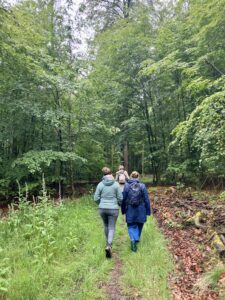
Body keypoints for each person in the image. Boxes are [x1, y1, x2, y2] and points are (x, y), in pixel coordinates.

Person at [94, 167, 123, 258]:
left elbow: (96, 198)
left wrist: (101, 204)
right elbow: (120, 198)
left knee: (106, 225)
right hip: (113, 209)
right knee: (111, 227)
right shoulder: (115, 184)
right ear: (111, 174)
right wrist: (118, 204)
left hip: (102, 209)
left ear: (103, 175)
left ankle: (108, 244)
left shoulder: (100, 185)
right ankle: (109, 245)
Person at [121, 171, 151, 252]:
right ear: (138, 177)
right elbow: (146, 200)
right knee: (140, 224)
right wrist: (148, 211)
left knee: (131, 225)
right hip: (141, 209)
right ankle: (135, 240)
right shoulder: (142, 186)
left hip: (130, 209)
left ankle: (133, 240)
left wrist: (123, 210)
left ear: (131, 177)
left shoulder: (127, 186)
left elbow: (123, 199)